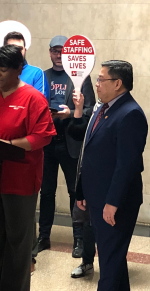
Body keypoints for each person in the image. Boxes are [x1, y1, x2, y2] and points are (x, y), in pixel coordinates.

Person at [0, 44, 56, 291]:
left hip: (19, 179)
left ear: (19, 69)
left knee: (17, 239)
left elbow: (43, 136)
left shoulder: (33, 98)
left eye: (3, 69)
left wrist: (8, 145)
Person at [77, 60, 148, 290]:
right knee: (113, 260)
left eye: (101, 79)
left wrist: (112, 203)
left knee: (109, 265)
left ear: (118, 83)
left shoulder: (130, 114)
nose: (96, 84)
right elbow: (91, 154)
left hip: (116, 203)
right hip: (99, 198)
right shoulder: (105, 109)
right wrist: (83, 191)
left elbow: (126, 165)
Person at [38, 35, 96, 258]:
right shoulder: (43, 76)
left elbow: (90, 109)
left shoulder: (81, 77)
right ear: (49, 52)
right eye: (54, 50)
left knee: (75, 193)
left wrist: (70, 113)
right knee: (46, 192)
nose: (58, 55)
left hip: (71, 142)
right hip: (47, 144)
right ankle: (43, 237)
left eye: (62, 51)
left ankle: (78, 240)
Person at [67, 92, 100, 278]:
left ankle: (113, 267)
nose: (97, 85)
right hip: (88, 175)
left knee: (109, 227)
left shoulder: (122, 112)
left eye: (101, 80)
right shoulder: (96, 109)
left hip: (106, 178)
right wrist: (78, 109)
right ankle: (87, 262)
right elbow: (76, 132)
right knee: (87, 223)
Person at [0, 31, 49, 98]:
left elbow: (39, 102)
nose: (16, 52)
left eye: (20, 49)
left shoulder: (36, 73)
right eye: (12, 48)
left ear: (25, 50)